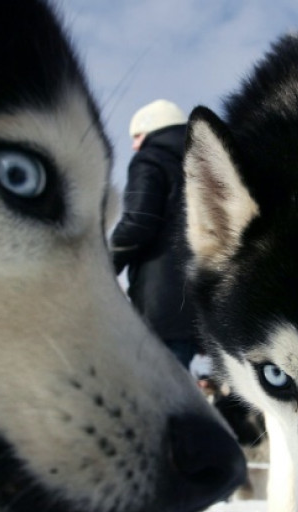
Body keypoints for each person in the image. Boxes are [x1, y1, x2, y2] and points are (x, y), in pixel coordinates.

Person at [110, 99, 197, 368]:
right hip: (196, 311)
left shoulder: (150, 159)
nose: (134, 145)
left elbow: (138, 222)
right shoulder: (204, 164)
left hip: (158, 309)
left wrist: (105, 261)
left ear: (153, 129)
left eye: (137, 136)